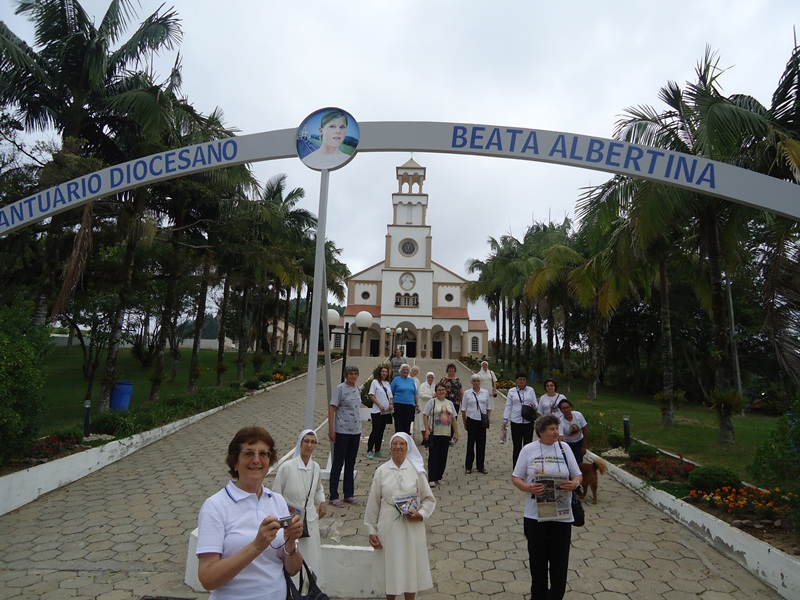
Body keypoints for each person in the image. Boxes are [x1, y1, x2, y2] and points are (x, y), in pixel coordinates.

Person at [196, 426, 304, 599]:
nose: (256, 460)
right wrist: (256, 546)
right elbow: (208, 579)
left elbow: (293, 569)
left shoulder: (277, 501)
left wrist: (290, 542)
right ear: (235, 462)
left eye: (263, 454)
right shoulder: (215, 506)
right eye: (248, 453)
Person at [512, 415, 582, 600]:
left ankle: (556, 596)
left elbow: (577, 475)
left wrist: (574, 484)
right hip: (535, 516)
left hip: (562, 516)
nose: (556, 432)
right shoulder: (528, 450)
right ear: (541, 431)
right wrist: (527, 487)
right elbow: (516, 477)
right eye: (552, 429)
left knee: (559, 562)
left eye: (557, 428)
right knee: (538, 561)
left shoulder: (564, 448)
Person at [364, 432, 436, 600]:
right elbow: (373, 503)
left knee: (410, 566)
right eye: (395, 444)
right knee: (391, 568)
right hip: (388, 526)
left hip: (411, 528)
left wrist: (421, 514)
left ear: (407, 447)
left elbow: (429, 499)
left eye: (401, 444)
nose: (398, 447)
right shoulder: (381, 471)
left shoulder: (416, 471)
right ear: (390, 447)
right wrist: (371, 530)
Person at [272, 429, 327, 583]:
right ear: (300, 443)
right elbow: (276, 495)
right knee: (293, 556)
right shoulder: (287, 467)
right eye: (306, 441)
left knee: (311, 558)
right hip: (291, 521)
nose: (309, 445)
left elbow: (318, 488)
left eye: (312, 442)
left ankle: (310, 589)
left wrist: (322, 502)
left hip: (310, 521)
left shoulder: (315, 467)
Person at [328, 365, 362, 507]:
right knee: (338, 463)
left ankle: (349, 494)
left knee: (350, 463)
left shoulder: (357, 389)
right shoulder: (340, 389)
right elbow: (332, 409)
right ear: (346, 375)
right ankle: (333, 495)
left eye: (355, 373)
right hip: (342, 430)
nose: (353, 376)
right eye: (351, 374)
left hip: (355, 431)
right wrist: (331, 429)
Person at [423, 382, 459, 486]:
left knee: (443, 456)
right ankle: (432, 478)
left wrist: (456, 432)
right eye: (439, 390)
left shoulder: (449, 403)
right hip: (435, 433)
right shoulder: (432, 402)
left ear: (446, 391)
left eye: (443, 390)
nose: (441, 392)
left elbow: (453, 419)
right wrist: (427, 429)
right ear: (436, 392)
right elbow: (425, 415)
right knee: (434, 455)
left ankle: (439, 476)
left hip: (446, 433)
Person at [502, 371, 538, 467]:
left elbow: (536, 404)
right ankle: (517, 467)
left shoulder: (530, 390)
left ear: (526, 380)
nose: (522, 381)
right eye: (520, 379)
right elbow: (508, 405)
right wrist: (505, 418)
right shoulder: (512, 391)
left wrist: (534, 405)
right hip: (516, 421)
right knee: (517, 446)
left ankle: (528, 466)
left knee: (528, 445)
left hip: (528, 421)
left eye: (523, 379)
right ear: (516, 381)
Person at [461, 373, 492, 474]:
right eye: (474, 381)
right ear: (471, 382)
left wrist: (487, 419)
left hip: (481, 421)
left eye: (478, 380)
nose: (476, 382)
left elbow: (488, 407)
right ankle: (468, 466)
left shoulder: (485, 392)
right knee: (471, 444)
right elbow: (463, 409)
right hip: (471, 420)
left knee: (481, 444)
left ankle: (480, 466)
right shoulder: (467, 393)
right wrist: (465, 423)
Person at [368, 366, 394, 459]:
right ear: (379, 372)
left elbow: (390, 396)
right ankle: (369, 450)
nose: (384, 373)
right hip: (377, 411)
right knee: (375, 430)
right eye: (383, 371)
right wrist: (379, 404)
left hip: (385, 412)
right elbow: (371, 395)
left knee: (381, 431)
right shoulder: (375, 382)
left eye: (386, 372)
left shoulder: (387, 383)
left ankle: (378, 450)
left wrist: (391, 404)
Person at [557, 399, 588, 464]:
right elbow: (560, 437)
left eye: (567, 407)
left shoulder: (578, 415)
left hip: (579, 441)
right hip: (568, 443)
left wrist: (584, 446)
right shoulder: (560, 421)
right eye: (563, 408)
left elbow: (585, 430)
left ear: (571, 407)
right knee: (569, 462)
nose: (566, 410)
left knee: (579, 462)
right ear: (561, 410)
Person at [390, 363, 418, 435]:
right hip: (398, 404)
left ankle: (405, 441)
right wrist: (391, 403)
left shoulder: (411, 381)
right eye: (404, 370)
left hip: (410, 405)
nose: (406, 371)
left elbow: (415, 393)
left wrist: (417, 404)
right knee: (399, 424)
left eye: (407, 370)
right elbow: (391, 393)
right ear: (401, 371)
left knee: (407, 424)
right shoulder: (396, 379)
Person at [439, 363, 463, 442]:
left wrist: (462, 402)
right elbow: (439, 389)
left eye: (452, 369)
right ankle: (444, 435)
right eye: (450, 369)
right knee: (445, 418)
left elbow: (460, 391)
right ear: (447, 370)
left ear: (454, 370)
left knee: (453, 418)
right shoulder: (444, 379)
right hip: (445, 402)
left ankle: (451, 436)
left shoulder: (457, 380)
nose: (451, 370)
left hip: (455, 402)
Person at [409, 366, 424, 435]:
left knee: (411, 416)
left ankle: (409, 429)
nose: (415, 372)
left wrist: (417, 404)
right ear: (410, 370)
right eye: (414, 371)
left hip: (413, 401)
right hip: (405, 399)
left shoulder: (417, 381)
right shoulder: (407, 377)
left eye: (416, 372)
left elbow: (417, 392)